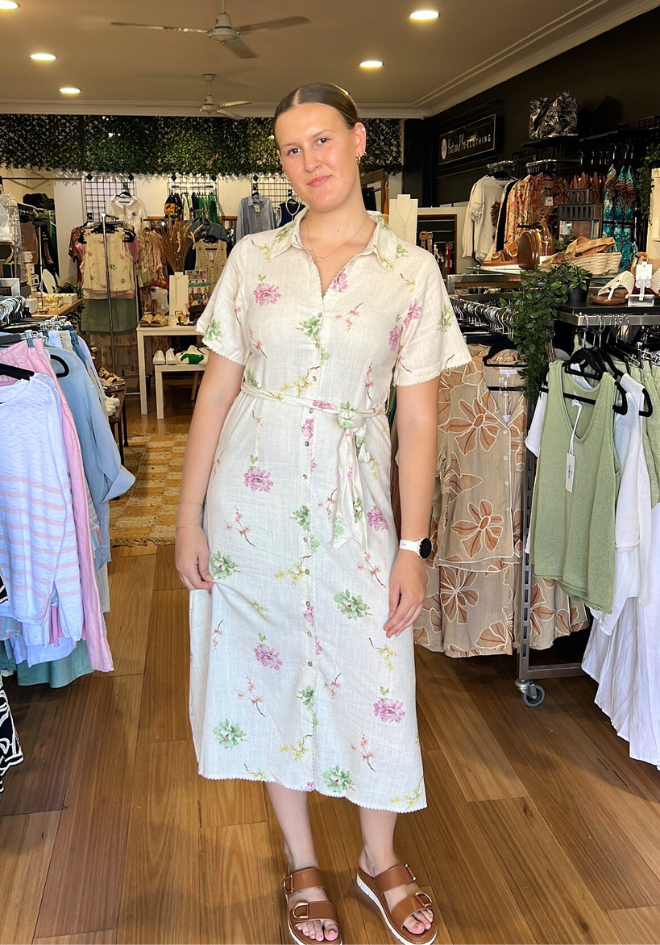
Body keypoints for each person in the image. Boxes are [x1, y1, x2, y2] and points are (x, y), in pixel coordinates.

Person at [175, 82, 469, 945]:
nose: (309, 162)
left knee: (376, 676)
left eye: (323, 141)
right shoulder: (252, 261)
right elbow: (215, 394)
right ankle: (302, 861)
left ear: (360, 139)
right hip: (251, 504)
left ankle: (379, 860)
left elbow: (416, 420)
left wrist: (413, 543)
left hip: (356, 507)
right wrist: (188, 514)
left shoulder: (410, 272)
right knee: (269, 676)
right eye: (292, 150)